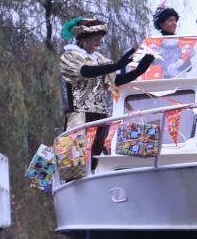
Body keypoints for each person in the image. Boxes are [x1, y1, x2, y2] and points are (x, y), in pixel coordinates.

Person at [58, 17, 154, 159]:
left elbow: (115, 81)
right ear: (84, 40)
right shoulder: (70, 56)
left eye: (100, 40)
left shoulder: (99, 59)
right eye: (96, 40)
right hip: (80, 116)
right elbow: (85, 71)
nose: (99, 44)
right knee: (77, 158)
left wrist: (139, 70)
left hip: (100, 116)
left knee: (96, 157)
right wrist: (116, 66)